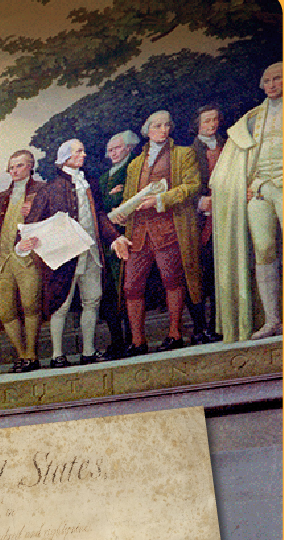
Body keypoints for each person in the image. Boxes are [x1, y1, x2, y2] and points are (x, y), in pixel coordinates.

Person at [210, 61, 284, 340]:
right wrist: (242, 182)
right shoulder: (254, 117)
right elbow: (237, 156)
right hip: (259, 189)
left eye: (277, 79)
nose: (271, 84)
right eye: (267, 80)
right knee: (264, 249)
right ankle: (272, 321)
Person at [108, 110, 202, 354]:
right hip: (138, 233)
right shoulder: (135, 163)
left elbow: (192, 186)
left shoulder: (183, 154)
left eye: (166, 125)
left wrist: (160, 199)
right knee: (131, 287)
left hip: (168, 229)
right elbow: (130, 198)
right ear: (147, 130)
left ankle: (175, 334)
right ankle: (138, 341)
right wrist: (123, 211)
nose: (163, 130)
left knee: (172, 280)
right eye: (157, 126)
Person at [21, 139, 120, 365]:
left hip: (92, 252)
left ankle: (88, 351)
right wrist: (26, 242)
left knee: (92, 300)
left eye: (83, 151)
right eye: (79, 151)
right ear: (66, 156)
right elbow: (32, 222)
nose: (83, 155)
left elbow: (101, 216)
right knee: (61, 305)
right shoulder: (50, 188)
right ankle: (57, 355)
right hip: (65, 256)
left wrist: (115, 237)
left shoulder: (91, 183)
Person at [0, 150, 47, 372]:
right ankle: (22, 354)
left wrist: (36, 216)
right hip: (3, 263)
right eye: (11, 167)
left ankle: (31, 354)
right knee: (5, 311)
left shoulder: (43, 191)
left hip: (30, 260)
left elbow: (57, 221)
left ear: (30, 166)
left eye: (20, 166)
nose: (14, 171)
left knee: (32, 305)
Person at [96, 130, 142, 357]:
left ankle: (134, 339)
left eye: (117, 148)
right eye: (110, 149)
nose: (113, 153)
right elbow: (100, 206)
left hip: (130, 235)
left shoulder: (134, 168)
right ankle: (117, 340)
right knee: (111, 291)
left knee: (129, 288)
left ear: (129, 148)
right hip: (108, 239)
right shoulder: (104, 178)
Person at [190, 104, 226, 345]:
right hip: (201, 221)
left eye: (214, 120)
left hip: (228, 215)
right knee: (202, 274)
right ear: (198, 125)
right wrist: (199, 200)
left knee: (224, 273)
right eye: (206, 121)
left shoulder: (228, 146)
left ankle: (220, 324)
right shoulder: (189, 151)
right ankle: (201, 327)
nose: (211, 125)